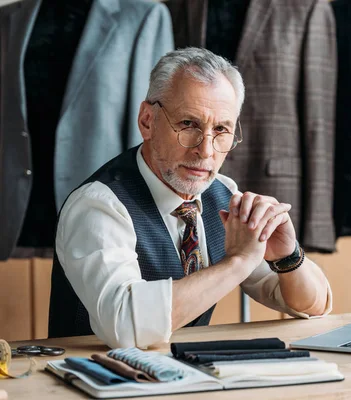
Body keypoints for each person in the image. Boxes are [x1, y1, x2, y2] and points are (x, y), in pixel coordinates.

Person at [47, 48, 332, 349]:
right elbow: (127, 327)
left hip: (185, 378)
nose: (206, 151)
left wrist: (288, 257)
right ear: (147, 121)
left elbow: (314, 306)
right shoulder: (98, 205)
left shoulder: (222, 194)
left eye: (221, 130)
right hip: (89, 384)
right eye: (188, 124)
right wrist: (239, 261)